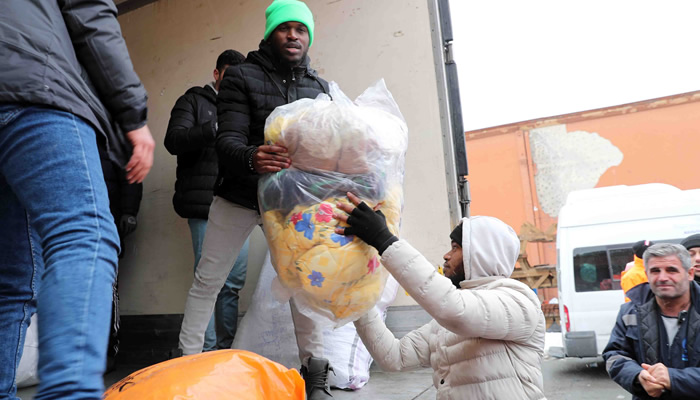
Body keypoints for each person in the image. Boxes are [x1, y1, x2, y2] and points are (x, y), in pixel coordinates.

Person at [0, 1, 154, 399]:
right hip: (33, 88)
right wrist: (132, 114)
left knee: (14, 275)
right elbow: (90, 14)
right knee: (83, 237)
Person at [177, 1, 331, 398]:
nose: (293, 35)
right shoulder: (241, 76)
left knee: (303, 284)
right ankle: (185, 363)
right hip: (239, 195)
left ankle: (315, 371)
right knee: (209, 279)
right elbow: (226, 141)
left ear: (309, 36)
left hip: (289, 205)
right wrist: (251, 156)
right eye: (285, 28)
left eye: (301, 29)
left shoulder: (318, 86)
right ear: (270, 33)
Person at [333, 192, 546, 399]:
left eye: (455, 247)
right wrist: (358, 294)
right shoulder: (443, 326)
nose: (446, 255)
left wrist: (383, 239)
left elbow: (456, 310)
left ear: (480, 253)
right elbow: (393, 357)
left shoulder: (519, 300)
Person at [164, 49, 251, 351]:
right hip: (204, 205)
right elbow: (173, 140)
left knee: (233, 283)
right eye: (229, 76)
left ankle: (226, 350)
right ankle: (206, 353)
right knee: (209, 283)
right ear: (216, 75)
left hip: (240, 203)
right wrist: (212, 130)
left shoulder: (244, 105)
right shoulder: (193, 101)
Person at [603, 243, 700, 399]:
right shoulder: (629, 312)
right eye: (655, 271)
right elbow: (615, 356)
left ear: (689, 274)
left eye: (671, 270)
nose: (662, 277)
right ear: (647, 275)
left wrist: (674, 379)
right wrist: (637, 377)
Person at [99, 149, 144, 372]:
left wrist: (129, 211)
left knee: (107, 290)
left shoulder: (113, 133)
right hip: (69, 226)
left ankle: (107, 351)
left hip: (107, 222)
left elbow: (131, 174)